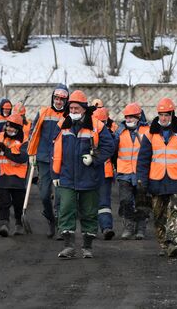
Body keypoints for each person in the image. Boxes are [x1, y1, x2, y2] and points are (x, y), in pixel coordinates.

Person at [51, 90, 115, 258]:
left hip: (90, 178)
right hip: (67, 177)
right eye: (71, 108)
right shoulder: (62, 125)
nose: (73, 111)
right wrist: (55, 174)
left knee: (89, 212)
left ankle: (87, 247)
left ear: (84, 109)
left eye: (76, 108)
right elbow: (56, 151)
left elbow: (109, 147)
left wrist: (94, 158)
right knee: (66, 210)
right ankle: (68, 246)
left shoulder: (97, 126)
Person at [136, 97, 177, 258]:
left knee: (175, 213)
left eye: (167, 115)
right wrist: (142, 180)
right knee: (158, 216)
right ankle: (164, 244)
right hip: (156, 181)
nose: (164, 118)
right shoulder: (150, 133)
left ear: (172, 114)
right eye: (161, 115)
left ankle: (174, 243)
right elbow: (143, 159)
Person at [28, 84, 69, 238]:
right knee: (44, 195)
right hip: (44, 159)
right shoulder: (43, 112)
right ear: (53, 98)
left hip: (62, 161)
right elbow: (33, 132)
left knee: (59, 195)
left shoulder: (69, 115)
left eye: (62, 99)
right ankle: (50, 219)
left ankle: (59, 225)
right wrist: (31, 153)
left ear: (66, 100)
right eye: (56, 98)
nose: (58, 102)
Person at [114, 103, 150, 240]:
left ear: (138, 117)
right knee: (125, 200)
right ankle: (128, 227)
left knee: (142, 201)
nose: (128, 120)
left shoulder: (147, 131)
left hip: (141, 173)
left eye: (131, 117)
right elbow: (113, 149)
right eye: (127, 117)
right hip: (124, 172)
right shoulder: (120, 132)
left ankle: (141, 228)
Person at [0, 114, 29, 237]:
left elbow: (22, 158)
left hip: (18, 177)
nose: (9, 129)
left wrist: (5, 151)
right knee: (3, 202)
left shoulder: (24, 140)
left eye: (13, 127)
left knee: (18, 203)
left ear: (18, 129)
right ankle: (4, 224)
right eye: (8, 126)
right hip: (2, 175)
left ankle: (19, 224)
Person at [93, 107, 117, 240]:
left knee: (103, 203)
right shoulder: (89, 132)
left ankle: (106, 227)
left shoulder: (110, 135)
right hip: (91, 172)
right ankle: (92, 229)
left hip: (104, 173)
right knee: (90, 202)